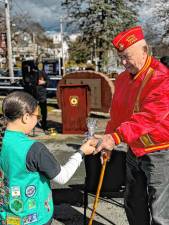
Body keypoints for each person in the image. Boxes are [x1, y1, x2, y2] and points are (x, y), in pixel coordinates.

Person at [94, 26, 169, 225]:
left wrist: (115, 138)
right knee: (133, 201)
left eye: (128, 57)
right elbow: (117, 114)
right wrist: (108, 138)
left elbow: (149, 117)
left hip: (160, 150)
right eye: (121, 58)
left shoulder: (161, 78)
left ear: (145, 51)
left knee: (161, 210)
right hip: (134, 149)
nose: (124, 63)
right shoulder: (122, 79)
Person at [0, 91, 97, 225]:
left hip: (6, 216)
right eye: (37, 116)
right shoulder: (34, 149)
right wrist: (81, 152)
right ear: (26, 117)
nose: (37, 120)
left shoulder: (4, 139)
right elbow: (62, 177)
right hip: (34, 218)